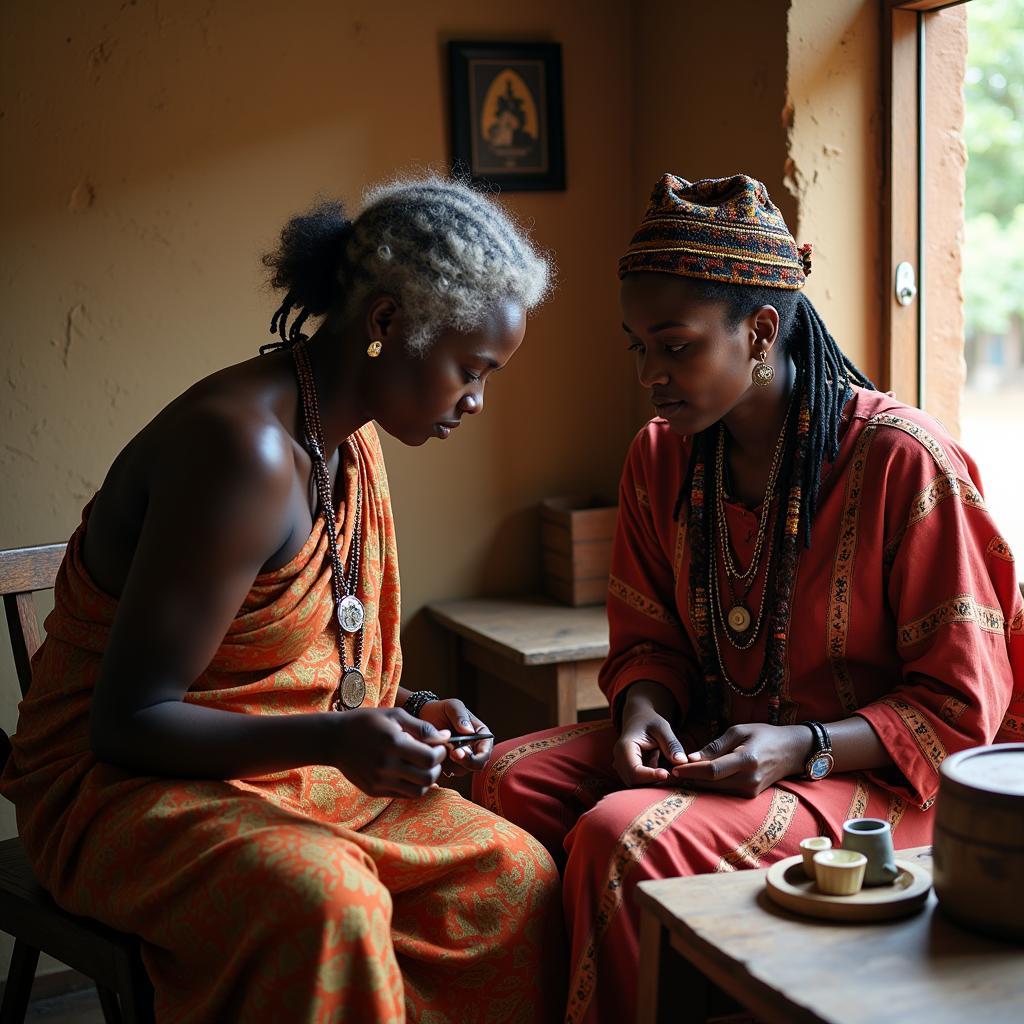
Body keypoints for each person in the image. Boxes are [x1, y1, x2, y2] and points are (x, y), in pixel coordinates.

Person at [1, 176, 565, 1023]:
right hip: (120, 787)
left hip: (290, 768)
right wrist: (341, 735)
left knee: (512, 876)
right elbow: (126, 723)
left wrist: (399, 709)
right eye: (470, 369)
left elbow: (297, 664)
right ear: (383, 324)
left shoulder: (348, 438)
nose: (476, 400)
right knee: (328, 904)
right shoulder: (243, 453)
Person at [474, 173, 1024, 1024]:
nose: (650, 375)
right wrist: (642, 710)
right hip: (721, 738)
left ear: (760, 330)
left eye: (675, 346)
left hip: (878, 782)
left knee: (623, 840)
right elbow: (647, 639)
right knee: (503, 781)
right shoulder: (661, 457)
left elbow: (963, 706)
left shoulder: (902, 462)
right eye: (637, 348)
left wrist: (800, 745)